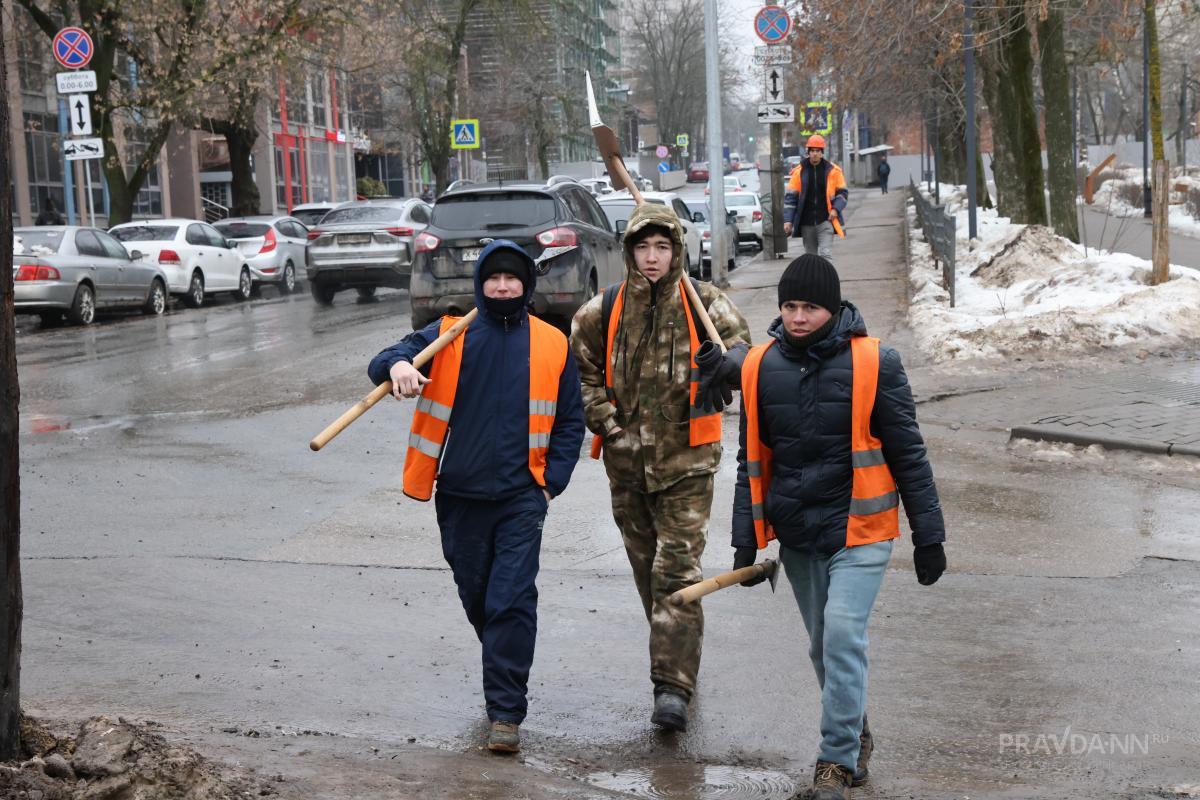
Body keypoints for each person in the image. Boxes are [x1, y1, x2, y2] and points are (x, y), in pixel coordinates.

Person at [731, 254, 946, 799]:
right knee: (823, 647)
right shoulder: (759, 366)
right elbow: (750, 460)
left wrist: (930, 534)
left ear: (833, 308)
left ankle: (835, 761)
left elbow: (909, 455)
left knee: (844, 635)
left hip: (861, 528)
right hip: (799, 533)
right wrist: (744, 540)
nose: (798, 317)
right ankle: (856, 732)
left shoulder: (877, 362)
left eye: (810, 307)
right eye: (790, 306)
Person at [368, 240, 585, 754]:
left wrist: (550, 482)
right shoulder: (450, 334)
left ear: (527, 285)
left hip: (521, 497)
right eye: (494, 279)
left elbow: (571, 420)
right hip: (460, 495)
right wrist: (399, 367)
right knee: (479, 597)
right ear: (480, 285)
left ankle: (505, 713)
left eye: (512, 279)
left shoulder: (553, 343)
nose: (503, 287)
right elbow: (384, 359)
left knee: (511, 599)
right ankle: (503, 663)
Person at [571, 202, 751, 732]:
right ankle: (675, 653)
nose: (652, 257)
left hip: (688, 466)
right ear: (630, 252)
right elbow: (581, 377)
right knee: (649, 578)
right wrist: (608, 424)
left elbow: (748, 359)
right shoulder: (600, 311)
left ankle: (671, 687)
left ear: (676, 252)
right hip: (626, 470)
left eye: (663, 247)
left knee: (676, 575)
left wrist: (728, 365)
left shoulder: (706, 305)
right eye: (643, 247)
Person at [782, 134, 849, 261]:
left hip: (826, 221)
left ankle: (827, 281)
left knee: (825, 255)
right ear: (808, 152)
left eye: (817, 151)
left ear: (822, 153)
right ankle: (815, 281)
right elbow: (791, 198)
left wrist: (835, 209)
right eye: (812, 150)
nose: (814, 154)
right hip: (807, 224)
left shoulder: (833, 171)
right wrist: (788, 221)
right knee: (811, 259)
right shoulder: (799, 172)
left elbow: (843, 193)